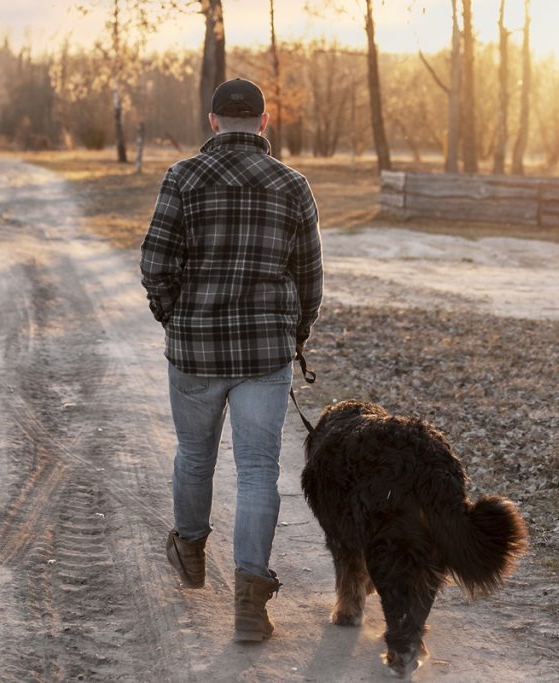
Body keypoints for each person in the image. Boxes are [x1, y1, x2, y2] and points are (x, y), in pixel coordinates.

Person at [140, 78, 324, 643]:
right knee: (257, 471)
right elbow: (310, 278)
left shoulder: (183, 177)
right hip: (264, 354)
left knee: (195, 455)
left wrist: (176, 317)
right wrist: (295, 331)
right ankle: (250, 600)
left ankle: (190, 551)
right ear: (264, 123)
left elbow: (155, 263)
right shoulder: (292, 185)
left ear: (213, 119)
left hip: (195, 349)